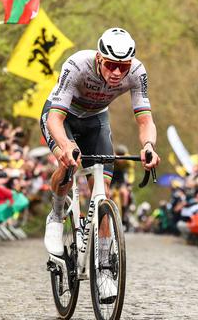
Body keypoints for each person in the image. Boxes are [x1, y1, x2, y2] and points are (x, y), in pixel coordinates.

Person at [39, 28, 160, 303]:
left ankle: (104, 267)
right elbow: (55, 118)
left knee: (102, 190)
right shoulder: (77, 65)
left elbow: (144, 119)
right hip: (62, 117)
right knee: (68, 164)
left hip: (96, 121)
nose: (117, 73)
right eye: (111, 65)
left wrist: (148, 146)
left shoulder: (137, 72)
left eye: (123, 67)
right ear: (99, 58)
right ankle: (57, 216)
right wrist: (66, 146)